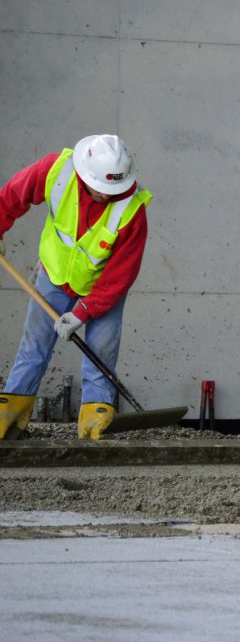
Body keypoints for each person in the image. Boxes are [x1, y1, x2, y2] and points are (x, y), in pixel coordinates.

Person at [0, 135, 151, 441]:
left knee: (101, 351)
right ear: (84, 174)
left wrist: (84, 311)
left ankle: (95, 420)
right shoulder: (55, 171)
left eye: (115, 190)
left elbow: (121, 274)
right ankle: (11, 413)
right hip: (54, 276)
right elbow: (12, 196)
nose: (109, 196)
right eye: (102, 189)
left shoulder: (133, 210)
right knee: (34, 346)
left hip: (102, 289)